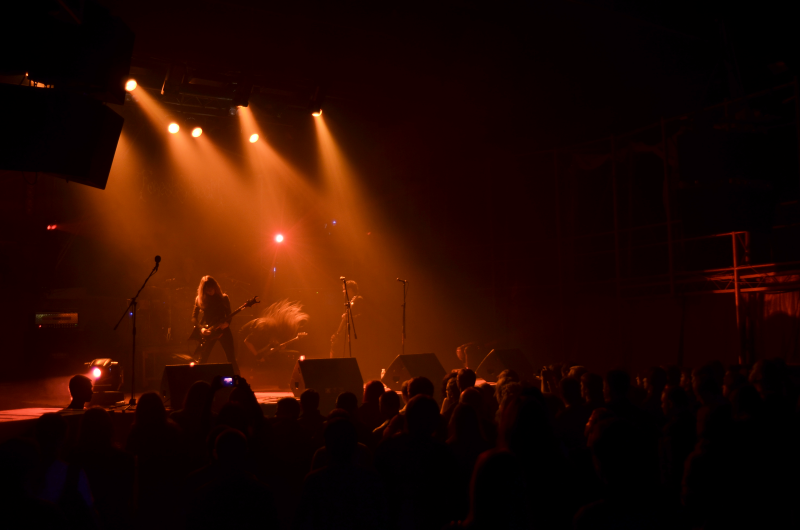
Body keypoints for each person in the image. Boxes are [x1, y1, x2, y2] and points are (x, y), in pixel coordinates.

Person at [191, 276, 238, 373]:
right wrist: (201, 329)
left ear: (215, 287)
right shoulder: (199, 299)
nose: (210, 291)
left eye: (212, 288)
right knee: (203, 359)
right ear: (204, 290)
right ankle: (198, 379)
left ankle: (237, 379)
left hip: (223, 330)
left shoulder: (224, 298)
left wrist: (227, 323)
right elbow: (194, 317)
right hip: (209, 331)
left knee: (231, 358)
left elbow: (229, 314)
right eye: (208, 289)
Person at [330, 280, 362, 358]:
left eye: (344, 289)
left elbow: (362, 317)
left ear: (350, 290)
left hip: (354, 335)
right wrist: (336, 333)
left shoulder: (359, 300)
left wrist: (349, 318)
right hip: (345, 332)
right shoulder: (349, 302)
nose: (343, 291)